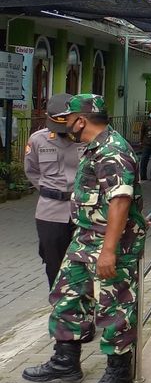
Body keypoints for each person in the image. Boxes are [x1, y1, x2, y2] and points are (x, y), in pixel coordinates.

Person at [21, 94, 147, 383]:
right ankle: (66, 360)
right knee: (66, 294)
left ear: (81, 120)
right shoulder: (94, 148)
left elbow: (120, 201)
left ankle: (118, 371)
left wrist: (109, 251)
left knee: (114, 305)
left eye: (66, 120)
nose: (63, 127)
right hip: (85, 238)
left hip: (108, 243)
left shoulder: (112, 151)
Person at [24, 93, 86, 293]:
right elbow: (31, 170)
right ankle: (60, 309)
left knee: (83, 262)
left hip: (83, 210)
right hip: (50, 212)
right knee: (53, 264)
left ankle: (84, 311)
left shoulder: (86, 140)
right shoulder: (38, 140)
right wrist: (49, 190)